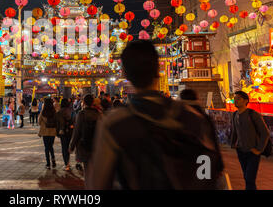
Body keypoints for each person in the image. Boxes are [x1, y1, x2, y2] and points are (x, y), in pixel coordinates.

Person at [86, 40, 224, 190]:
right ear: (158, 69)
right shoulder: (193, 117)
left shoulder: (115, 123)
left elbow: (98, 184)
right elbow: (211, 169)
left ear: (123, 73)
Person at [230, 90, 270, 190]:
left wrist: (258, 150)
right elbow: (235, 131)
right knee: (246, 177)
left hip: (252, 152)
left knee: (249, 178)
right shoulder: (235, 115)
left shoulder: (253, 114)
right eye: (235, 99)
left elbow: (265, 133)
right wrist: (233, 144)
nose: (236, 101)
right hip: (241, 151)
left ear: (245, 101)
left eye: (238, 99)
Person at [69, 94, 101, 180]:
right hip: (96, 144)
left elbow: (77, 131)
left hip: (84, 144)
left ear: (83, 102)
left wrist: (72, 146)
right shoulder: (98, 114)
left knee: (87, 167)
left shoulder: (81, 114)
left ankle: (89, 184)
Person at [39, 98, 57, 169]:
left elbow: (39, 121)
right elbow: (56, 121)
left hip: (45, 132)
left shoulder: (43, 112)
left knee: (47, 147)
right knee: (51, 146)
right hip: (52, 131)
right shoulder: (54, 112)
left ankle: (48, 163)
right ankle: (53, 160)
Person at [56, 98, 74, 171]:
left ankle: (66, 164)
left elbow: (57, 124)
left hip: (63, 132)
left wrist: (57, 133)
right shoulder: (71, 111)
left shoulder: (59, 112)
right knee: (68, 147)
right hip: (71, 131)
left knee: (64, 148)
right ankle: (68, 163)